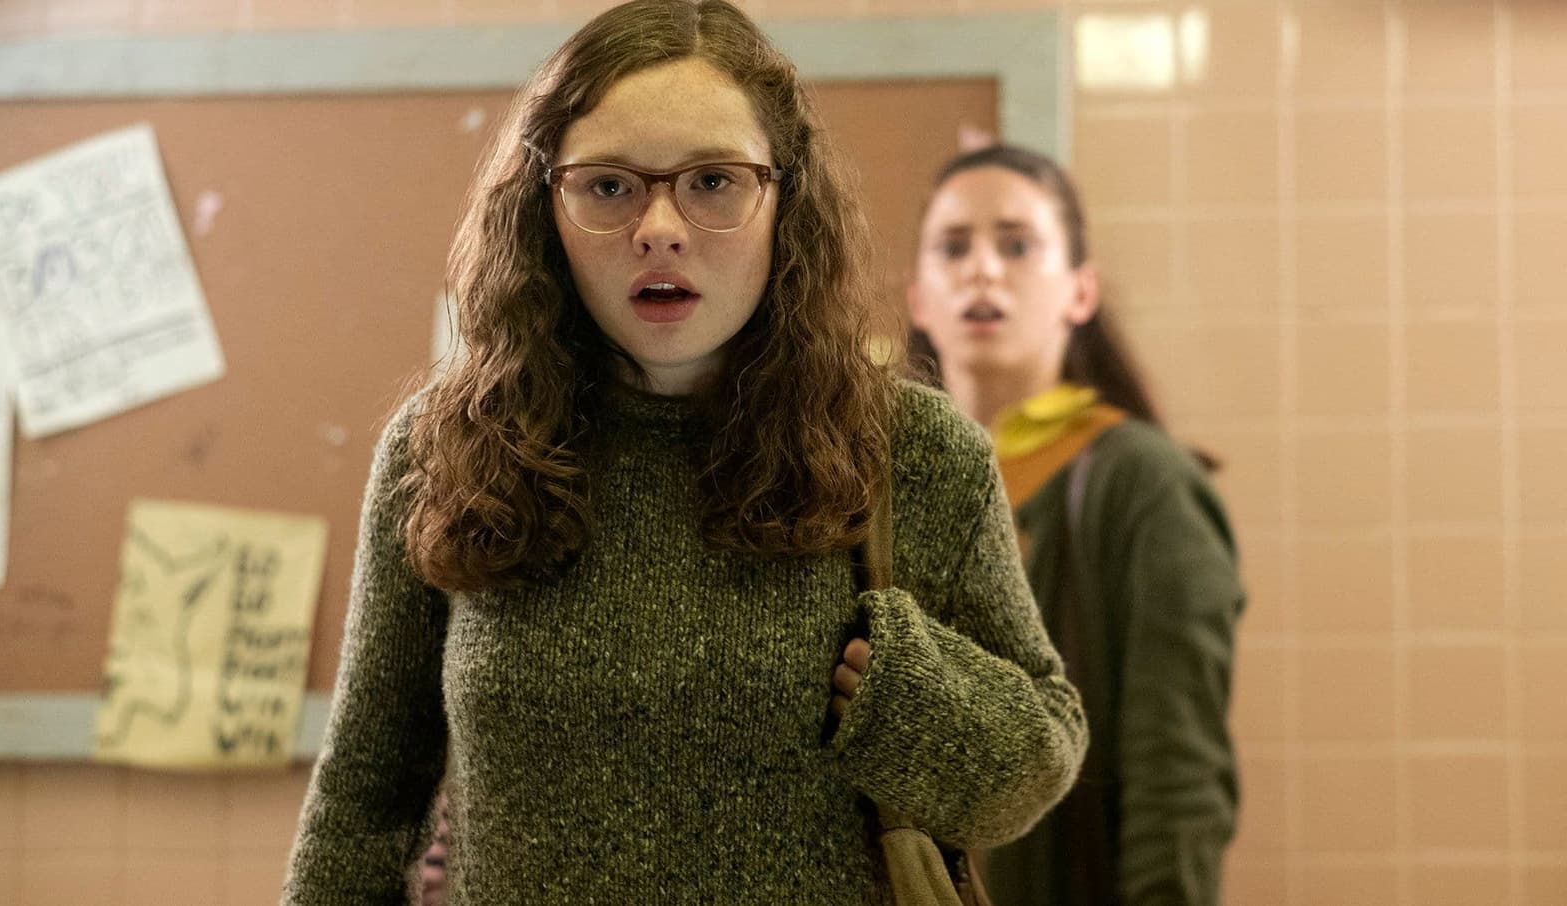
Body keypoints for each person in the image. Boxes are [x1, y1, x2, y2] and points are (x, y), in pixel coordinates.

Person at [280, 3, 1088, 903]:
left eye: (712, 181)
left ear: (785, 200)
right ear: (545, 207)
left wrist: (910, 701)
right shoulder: (448, 446)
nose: (660, 227)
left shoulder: (913, 452)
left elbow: (1043, 753)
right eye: (609, 186)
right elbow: (360, 804)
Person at [907, 145, 1244, 906]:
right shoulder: (871, 487)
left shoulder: (1143, 484)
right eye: (953, 247)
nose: (982, 270)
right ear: (918, 297)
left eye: (1017, 245)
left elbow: (1177, 772)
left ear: (1080, 291)